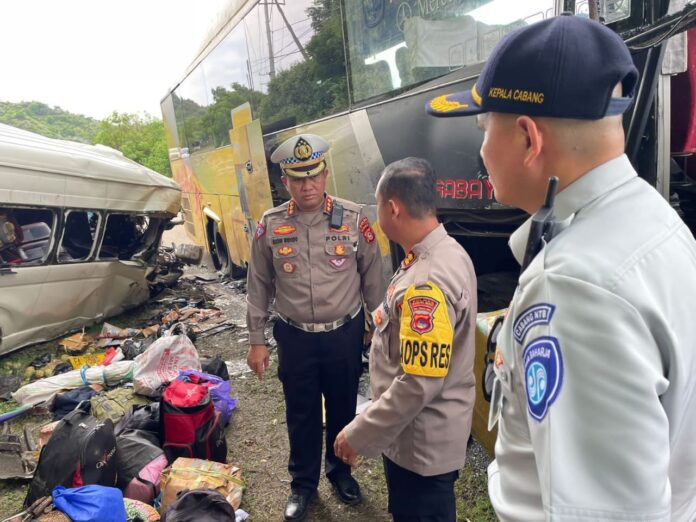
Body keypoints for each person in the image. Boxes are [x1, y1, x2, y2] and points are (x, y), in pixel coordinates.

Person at [427, 13, 696, 522]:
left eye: (485, 128)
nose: (482, 149)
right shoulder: (654, 220)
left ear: (528, 139)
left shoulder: (572, 286)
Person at [245, 133, 385, 522]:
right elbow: (258, 285)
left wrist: (380, 330)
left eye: (314, 176)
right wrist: (257, 340)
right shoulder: (271, 225)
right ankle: (303, 485)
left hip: (344, 332)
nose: (308, 186)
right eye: (298, 178)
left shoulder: (354, 218)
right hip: (295, 336)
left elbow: (374, 277)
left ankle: (340, 472)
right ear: (285, 182)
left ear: (325, 174)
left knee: (342, 407)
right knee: (301, 412)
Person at [334, 157, 477, 522]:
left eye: (378, 203)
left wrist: (359, 432)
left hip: (420, 446)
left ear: (392, 207)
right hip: (420, 436)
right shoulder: (443, 252)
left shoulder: (425, 280)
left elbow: (419, 382)